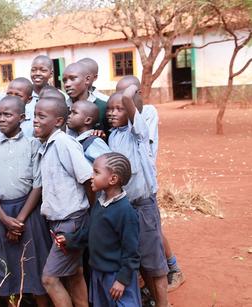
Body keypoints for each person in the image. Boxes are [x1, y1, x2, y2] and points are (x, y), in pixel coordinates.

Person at [0, 96, 51, 306]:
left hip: (28, 212)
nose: (1, 119)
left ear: (22, 118)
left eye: (7, 115)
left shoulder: (33, 144)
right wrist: (3, 218)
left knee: (34, 269)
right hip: (0, 214)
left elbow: (38, 185)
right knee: (2, 273)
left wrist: (18, 221)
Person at [116, 75, 184, 292]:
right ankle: (147, 284)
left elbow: (134, 116)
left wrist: (129, 97)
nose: (122, 99)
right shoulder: (118, 130)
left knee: (153, 235)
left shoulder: (147, 114)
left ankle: (174, 269)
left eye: (126, 93)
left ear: (138, 94)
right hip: (130, 190)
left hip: (144, 184)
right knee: (143, 238)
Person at [106, 87, 169, 307]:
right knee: (138, 260)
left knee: (154, 263)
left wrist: (129, 89)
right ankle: (150, 298)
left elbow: (127, 97)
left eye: (119, 109)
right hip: (125, 209)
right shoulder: (113, 135)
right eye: (109, 109)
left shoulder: (138, 132)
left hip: (143, 207)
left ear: (132, 112)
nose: (112, 113)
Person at [57, 152, 141, 307]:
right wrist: (70, 240)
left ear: (113, 179)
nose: (91, 176)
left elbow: (132, 252)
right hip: (98, 272)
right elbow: (91, 233)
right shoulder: (99, 203)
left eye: (96, 172)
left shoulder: (125, 212)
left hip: (116, 276)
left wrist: (122, 280)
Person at [34, 96, 95, 307]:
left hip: (71, 221)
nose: (35, 120)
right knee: (75, 273)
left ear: (59, 121)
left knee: (49, 279)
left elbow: (88, 179)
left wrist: (89, 216)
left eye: (42, 116)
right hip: (60, 221)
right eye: (34, 115)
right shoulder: (47, 145)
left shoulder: (63, 143)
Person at [63, 62, 107, 131]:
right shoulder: (63, 107)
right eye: (64, 81)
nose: (67, 84)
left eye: (72, 79)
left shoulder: (102, 107)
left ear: (87, 80)